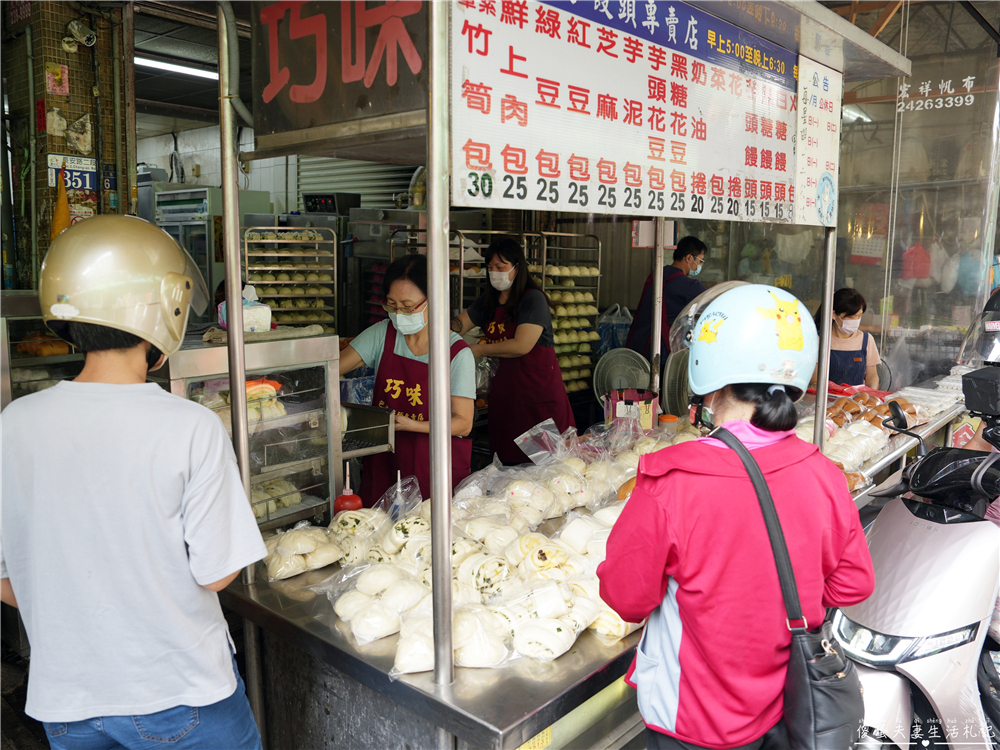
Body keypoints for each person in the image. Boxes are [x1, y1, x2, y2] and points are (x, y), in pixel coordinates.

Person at [0, 215, 266, 750]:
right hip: (182, 695)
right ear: (162, 309)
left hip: (69, 704)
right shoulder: (190, 425)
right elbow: (218, 575)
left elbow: (7, 580)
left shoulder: (13, 424)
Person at [598, 284, 875, 750]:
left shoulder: (671, 480)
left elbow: (625, 597)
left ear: (710, 370)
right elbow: (853, 585)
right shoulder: (823, 474)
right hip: (784, 709)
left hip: (691, 721)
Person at [340, 253, 475, 502]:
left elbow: (463, 423)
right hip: (384, 461)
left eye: (408, 306)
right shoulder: (383, 335)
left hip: (433, 464)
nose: (399, 313)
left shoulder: (456, 353)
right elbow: (334, 368)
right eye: (392, 305)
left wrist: (415, 426)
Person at [453, 237, 575, 464]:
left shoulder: (532, 300)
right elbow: (459, 325)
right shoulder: (488, 302)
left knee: (546, 466)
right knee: (508, 468)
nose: (494, 273)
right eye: (490, 268)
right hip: (505, 402)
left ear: (517, 267)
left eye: (500, 267)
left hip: (537, 402)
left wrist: (479, 350)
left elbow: (522, 344)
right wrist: (437, 324)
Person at [625, 235, 708, 362]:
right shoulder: (689, 286)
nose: (700, 266)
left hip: (642, 348)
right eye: (700, 261)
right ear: (689, 258)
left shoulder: (658, 274)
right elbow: (714, 302)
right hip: (664, 354)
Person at [812, 287, 881, 388]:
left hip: (857, 401)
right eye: (851, 317)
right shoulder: (818, 340)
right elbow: (814, 381)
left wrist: (870, 396)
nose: (856, 321)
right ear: (834, 314)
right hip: (826, 400)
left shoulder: (866, 340)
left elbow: (872, 376)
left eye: (859, 316)